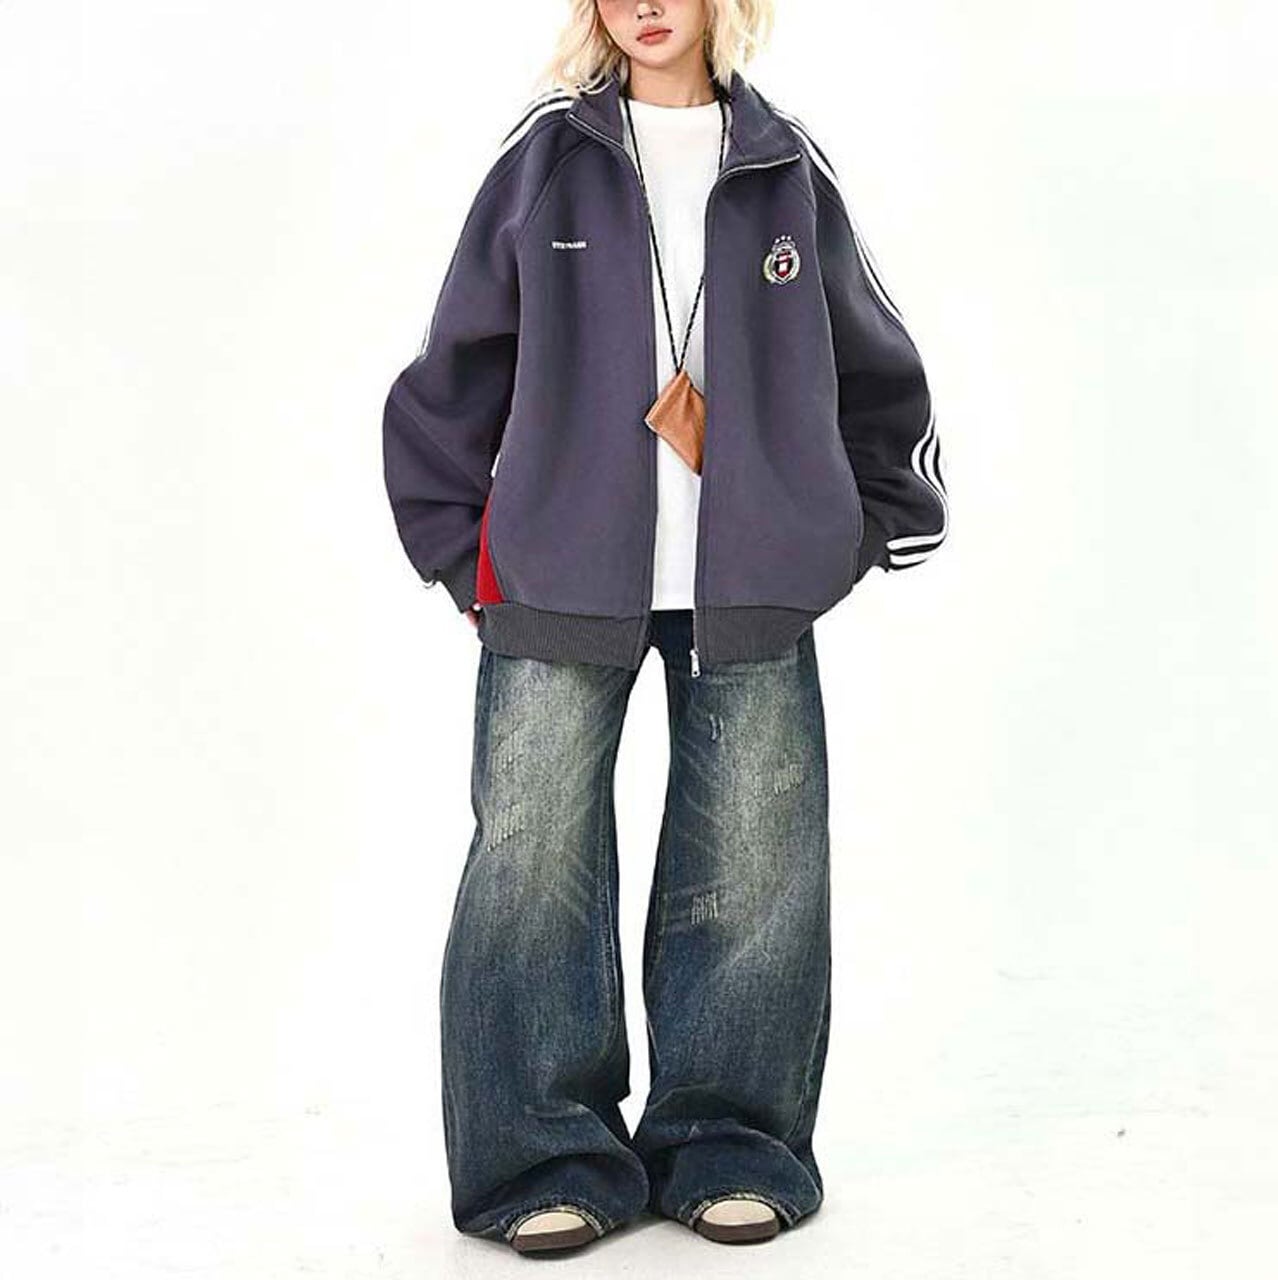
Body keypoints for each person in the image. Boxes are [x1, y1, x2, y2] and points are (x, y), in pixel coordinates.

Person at [381, 0, 948, 1255]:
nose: (645, 4)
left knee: (756, 862)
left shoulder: (786, 167)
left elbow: (877, 364)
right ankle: (541, 1152)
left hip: (749, 581)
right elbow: (452, 369)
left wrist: (851, 530)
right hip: (554, 576)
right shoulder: (544, 159)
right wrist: (462, 552)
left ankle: (730, 1139)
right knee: (531, 860)